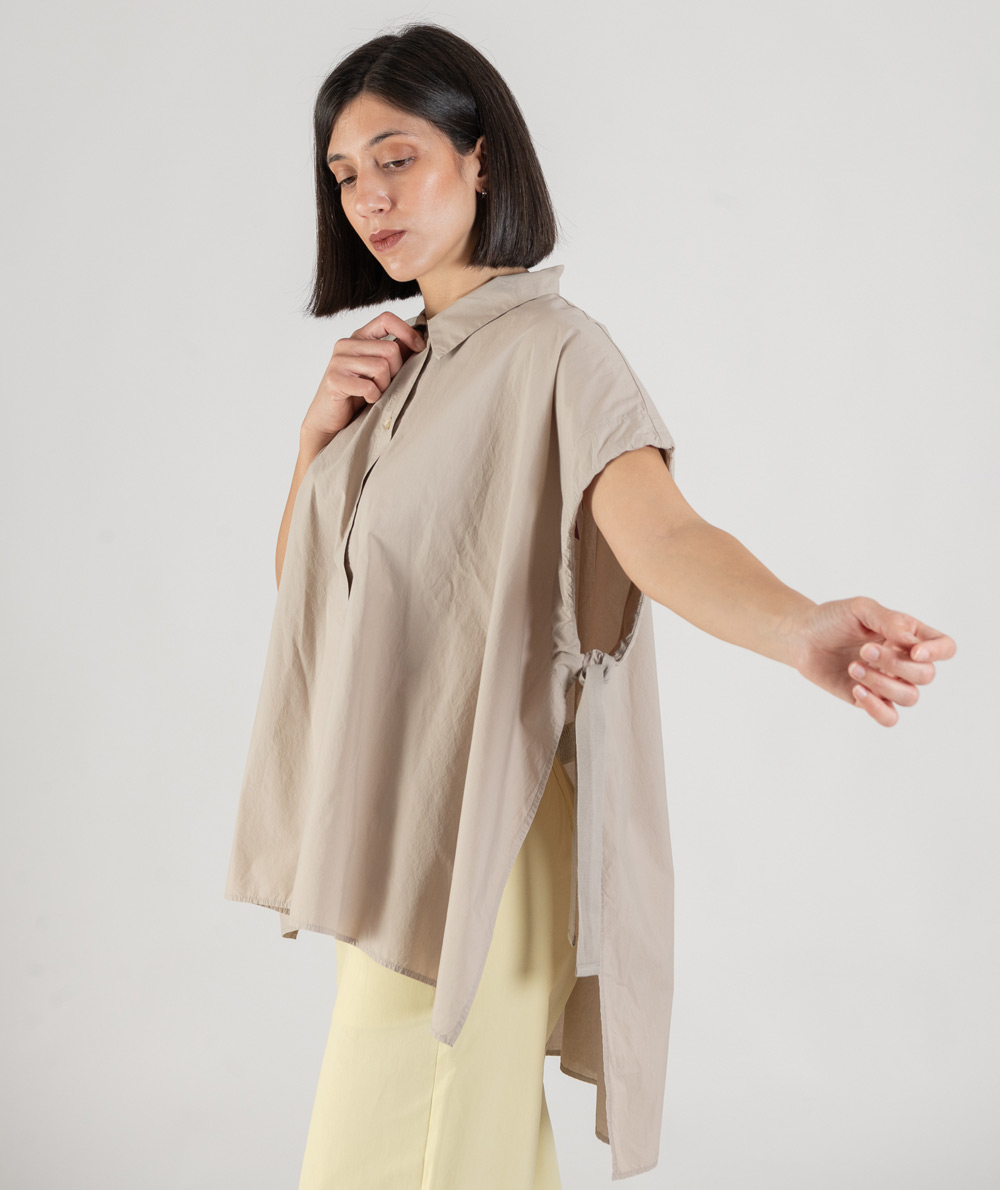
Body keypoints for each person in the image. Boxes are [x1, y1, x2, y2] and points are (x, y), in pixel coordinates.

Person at [224, 21, 957, 1189]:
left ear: (480, 160)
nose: (369, 197)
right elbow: (316, 597)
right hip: (405, 827)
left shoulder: (556, 349)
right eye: (346, 174)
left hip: (487, 831)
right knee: (469, 1152)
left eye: (397, 158)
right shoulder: (398, 365)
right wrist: (317, 439)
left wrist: (797, 624)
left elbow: (662, 533)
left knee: (394, 1152)